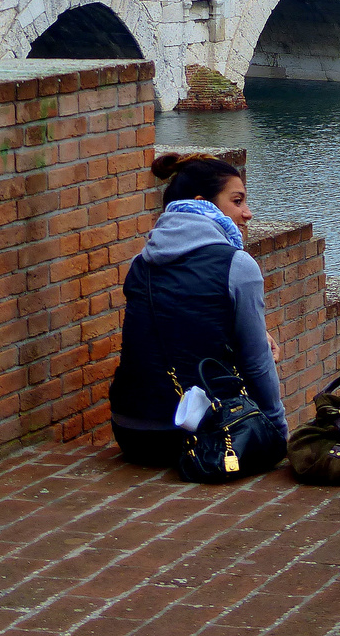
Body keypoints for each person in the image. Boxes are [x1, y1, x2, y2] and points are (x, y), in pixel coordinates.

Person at [108, 153, 288, 468]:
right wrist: (276, 431)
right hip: (208, 438)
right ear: (202, 203)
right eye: (237, 201)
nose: (247, 213)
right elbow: (257, 363)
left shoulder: (142, 263)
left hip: (133, 433)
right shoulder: (237, 264)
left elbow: (178, 327)